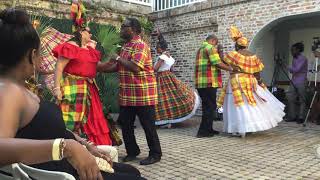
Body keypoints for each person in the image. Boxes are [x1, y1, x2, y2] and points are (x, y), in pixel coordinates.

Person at [0, 8, 145, 180]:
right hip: (57, 171)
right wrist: (66, 147)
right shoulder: (8, 91)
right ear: (32, 55)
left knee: (132, 172)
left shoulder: (20, 88)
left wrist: (85, 144)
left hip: (64, 159)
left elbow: (52, 130)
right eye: (41, 53)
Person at [99, 18, 162, 165]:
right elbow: (119, 67)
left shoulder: (141, 45)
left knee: (148, 126)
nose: (120, 29)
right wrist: (99, 68)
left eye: (123, 27)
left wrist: (118, 57)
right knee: (125, 124)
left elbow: (135, 67)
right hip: (127, 95)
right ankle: (132, 151)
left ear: (132, 29)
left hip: (143, 94)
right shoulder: (126, 46)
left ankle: (155, 154)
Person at [53, 1, 113, 145]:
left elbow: (96, 66)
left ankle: (96, 148)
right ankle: (71, 146)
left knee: (93, 118)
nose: (91, 33)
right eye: (88, 30)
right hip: (72, 87)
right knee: (71, 119)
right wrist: (57, 89)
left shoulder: (90, 49)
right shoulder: (70, 46)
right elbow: (59, 67)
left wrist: (111, 63)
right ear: (80, 31)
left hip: (90, 89)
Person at [217, 26, 285, 137]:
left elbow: (222, 61)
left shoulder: (234, 55)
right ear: (245, 45)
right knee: (250, 104)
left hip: (237, 81)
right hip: (250, 81)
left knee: (238, 105)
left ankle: (239, 129)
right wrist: (259, 82)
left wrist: (220, 51)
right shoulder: (253, 57)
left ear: (237, 45)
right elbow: (257, 73)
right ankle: (250, 127)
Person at [153, 31, 200, 127]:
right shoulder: (169, 56)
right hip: (169, 77)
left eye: (157, 47)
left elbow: (155, 69)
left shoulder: (162, 57)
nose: (156, 49)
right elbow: (171, 69)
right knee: (171, 98)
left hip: (161, 77)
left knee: (162, 99)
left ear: (160, 48)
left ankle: (165, 120)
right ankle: (170, 119)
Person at [194, 34, 236, 138]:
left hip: (201, 83)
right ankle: (203, 132)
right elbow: (217, 63)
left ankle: (209, 129)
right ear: (213, 41)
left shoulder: (201, 48)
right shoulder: (210, 48)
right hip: (209, 82)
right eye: (216, 43)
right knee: (209, 107)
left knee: (208, 106)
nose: (216, 46)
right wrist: (231, 69)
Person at [286, 42, 308, 124]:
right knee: (290, 98)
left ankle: (301, 117)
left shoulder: (303, 58)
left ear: (298, 50)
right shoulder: (294, 58)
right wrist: (291, 69)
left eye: (293, 50)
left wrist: (286, 66)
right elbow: (293, 71)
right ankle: (292, 116)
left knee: (302, 99)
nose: (291, 52)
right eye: (291, 50)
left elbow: (297, 69)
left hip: (301, 81)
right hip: (293, 81)